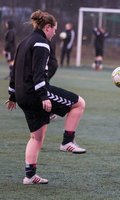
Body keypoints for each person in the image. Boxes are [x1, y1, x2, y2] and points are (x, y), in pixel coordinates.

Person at [5, 10, 87, 185]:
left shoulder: (24, 42)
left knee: (36, 137)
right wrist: (44, 97)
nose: (55, 33)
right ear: (47, 27)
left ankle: (30, 176)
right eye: (54, 29)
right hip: (35, 93)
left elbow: (14, 72)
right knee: (79, 103)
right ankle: (67, 141)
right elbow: (39, 74)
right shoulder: (42, 43)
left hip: (22, 95)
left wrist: (12, 95)